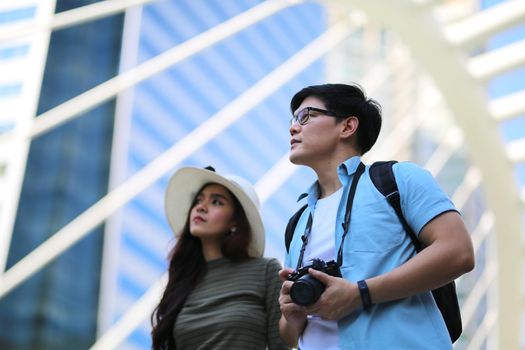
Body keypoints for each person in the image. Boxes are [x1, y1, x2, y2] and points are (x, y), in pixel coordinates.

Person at [278, 83, 475, 349]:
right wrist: (292, 315)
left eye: (307, 116)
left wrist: (359, 294)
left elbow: (458, 252)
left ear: (347, 127)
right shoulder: (298, 221)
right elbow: (290, 337)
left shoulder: (398, 180)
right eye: (293, 119)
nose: (293, 127)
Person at [151, 166, 289, 350]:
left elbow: (281, 345)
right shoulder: (182, 280)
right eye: (198, 200)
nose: (200, 207)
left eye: (216, 202)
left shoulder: (265, 271)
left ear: (235, 221)